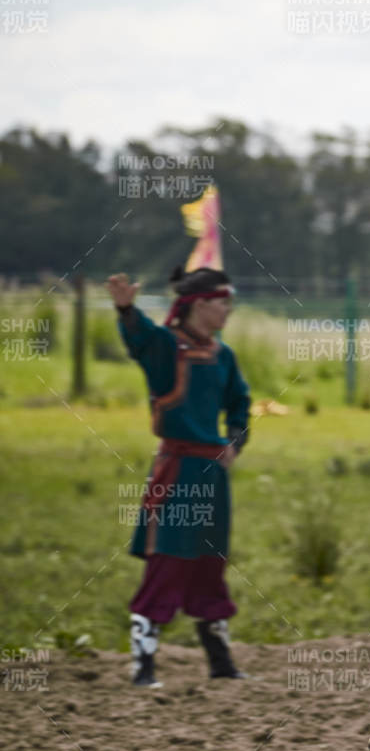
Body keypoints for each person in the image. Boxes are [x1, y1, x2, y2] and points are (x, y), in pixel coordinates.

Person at [108, 266, 251, 686]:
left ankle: (220, 663)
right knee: (168, 562)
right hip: (179, 473)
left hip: (213, 476)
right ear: (199, 304)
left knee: (210, 564)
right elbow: (140, 338)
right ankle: (143, 668)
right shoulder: (166, 347)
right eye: (222, 302)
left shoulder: (223, 355)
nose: (228, 310)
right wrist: (125, 308)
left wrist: (234, 442)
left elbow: (240, 403)